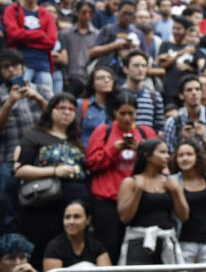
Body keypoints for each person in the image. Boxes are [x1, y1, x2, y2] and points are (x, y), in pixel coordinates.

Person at [14, 92, 90, 271]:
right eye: (61, 108)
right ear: (50, 111)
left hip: (74, 211)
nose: (67, 112)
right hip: (44, 209)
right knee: (41, 254)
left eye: (72, 109)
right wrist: (54, 171)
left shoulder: (76, 140)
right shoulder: (35, 136)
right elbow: (20, 170)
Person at [85, 92, 157, 262]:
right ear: (114, 113)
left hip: (137, 199)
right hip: (106, 199)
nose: (126, 118)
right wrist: (112, 149)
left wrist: (141, 150)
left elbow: (157, 163)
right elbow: (90, 163)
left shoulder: (146, 132)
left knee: (136, 247)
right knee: (109, 245)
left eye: (131, 113)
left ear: (136, 113)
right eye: (122, 113)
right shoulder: (103, 131)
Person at [0, 49, 52, 233]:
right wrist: (9, 103)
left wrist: (39, 99)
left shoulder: (41, 90)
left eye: (16, 66)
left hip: (41, 159)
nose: (12, 71)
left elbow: (59, 121)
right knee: (9, 206)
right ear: (0, 71)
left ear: (24, 68)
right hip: (9, 158)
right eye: (6, 67)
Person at [117, 139, 189, 265]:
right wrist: (138, 191)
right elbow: (124, 217)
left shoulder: (171, 183)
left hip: (166, 241)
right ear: (148, 155)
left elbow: (184, 216)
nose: (167, 156)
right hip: (138, 243)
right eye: (162, 152)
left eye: (168, 152)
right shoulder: (131, 182)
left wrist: (176, 191)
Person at [163, 75, 206, 172]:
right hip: (182, 176)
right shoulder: (173, 122)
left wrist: (205, 140)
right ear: (181, 95)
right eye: (189, 90)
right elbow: (168, 162)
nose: (194, 93)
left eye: (197, 89)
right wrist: (184, 140)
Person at [4, 0, 58, 89]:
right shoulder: (12, 10)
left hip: (43, 65)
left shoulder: (47, 15)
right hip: (19, 66)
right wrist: (39, 34)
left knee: (45, 101)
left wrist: (24, 38)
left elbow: (51, 42)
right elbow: (13, 35)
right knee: (19, 100)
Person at [42, 201, 112, 271]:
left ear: (88, 220)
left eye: (77, 217)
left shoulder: (97, 247)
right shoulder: (54, 248)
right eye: (67, 217)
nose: (71, 222)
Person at [60, 0, 99, 96]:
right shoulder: (66, 34)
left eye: (90, 13)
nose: (87, 16)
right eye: (84, 12)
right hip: (70, 79)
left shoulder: (97, 35)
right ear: (76, 12)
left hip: (88, 80)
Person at [122, 50, 164, 136]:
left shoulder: (155, 97)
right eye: (136, 66)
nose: (140, 69)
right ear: (125, 69)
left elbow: (158, 128)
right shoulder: (116, 94)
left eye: (144, 66)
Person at [77, 67, 118, 147]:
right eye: (101, 78)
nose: (107, 80)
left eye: (110, 78)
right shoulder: (81, 104)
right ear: (93, 84)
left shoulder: (117, 106)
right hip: (86, 152)